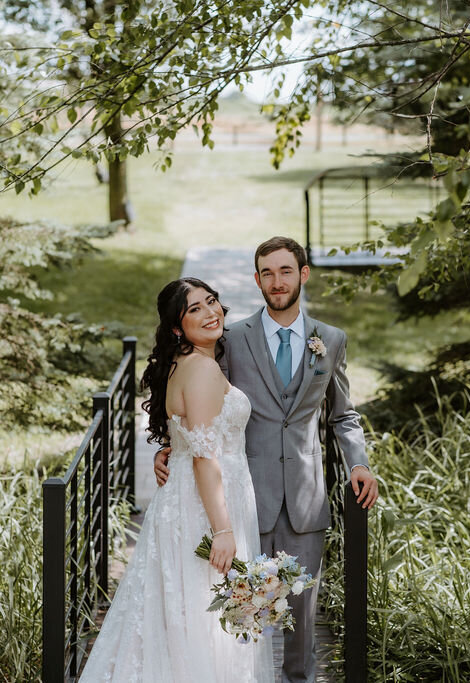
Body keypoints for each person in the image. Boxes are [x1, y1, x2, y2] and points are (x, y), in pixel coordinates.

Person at [155, 237, 379, 683]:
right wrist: (172, 445)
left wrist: (358, 462)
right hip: (243, 498)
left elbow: (343, 414)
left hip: (304, 498)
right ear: (256, 280)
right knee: (238, 614)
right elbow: (202, 401)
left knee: (302, 621)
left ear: (303, 274)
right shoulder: (232, 339)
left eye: (286, 271)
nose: (277, 282)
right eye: (268, 273)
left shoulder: (330, 341)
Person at [79, 277, 273, 683]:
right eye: (194, 309)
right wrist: (222, 529)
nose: (210, 312)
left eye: (212, 302)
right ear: (175, 327)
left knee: (187, 614)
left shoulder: (186, 363)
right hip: (205, 508)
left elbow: (190, 437)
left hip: (198, 496)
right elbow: (204, 457)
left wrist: (171, 449)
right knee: (203, 619)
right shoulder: (201, 368)